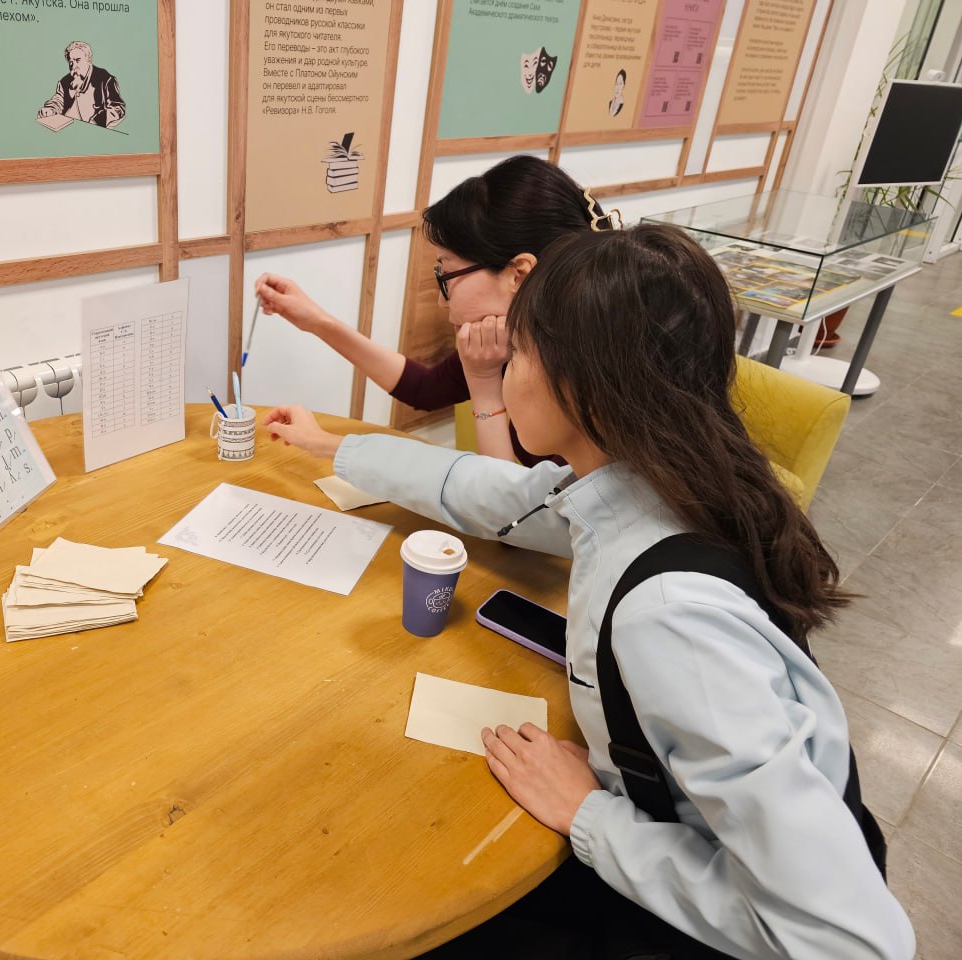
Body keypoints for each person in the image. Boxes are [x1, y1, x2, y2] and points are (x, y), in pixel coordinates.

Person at [261, 224, 914, 959]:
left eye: (519, 353)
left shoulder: (669, 617)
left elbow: (849, 941)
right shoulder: (664, 476)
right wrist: (334, 447)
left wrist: (589, 814)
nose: (504, 369)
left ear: (582, 382)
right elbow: (494, 493)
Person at [253, 155, 610, 465]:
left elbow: (508, 507)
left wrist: (484, 388)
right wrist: (317, 321)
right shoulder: (512, 342)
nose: (442, 301)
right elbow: (424, 388)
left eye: (447, 275)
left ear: (518, 274)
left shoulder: (592, 379)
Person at [38, 41, 126, 129]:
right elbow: (58, 100)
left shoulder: (105, 78)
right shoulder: (64, 81)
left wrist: (98, 121)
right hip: (66, 130)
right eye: (71, 62)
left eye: (77, 60)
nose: (73, 66)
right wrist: (50, 109)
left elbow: (117, 108)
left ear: (88, 60)